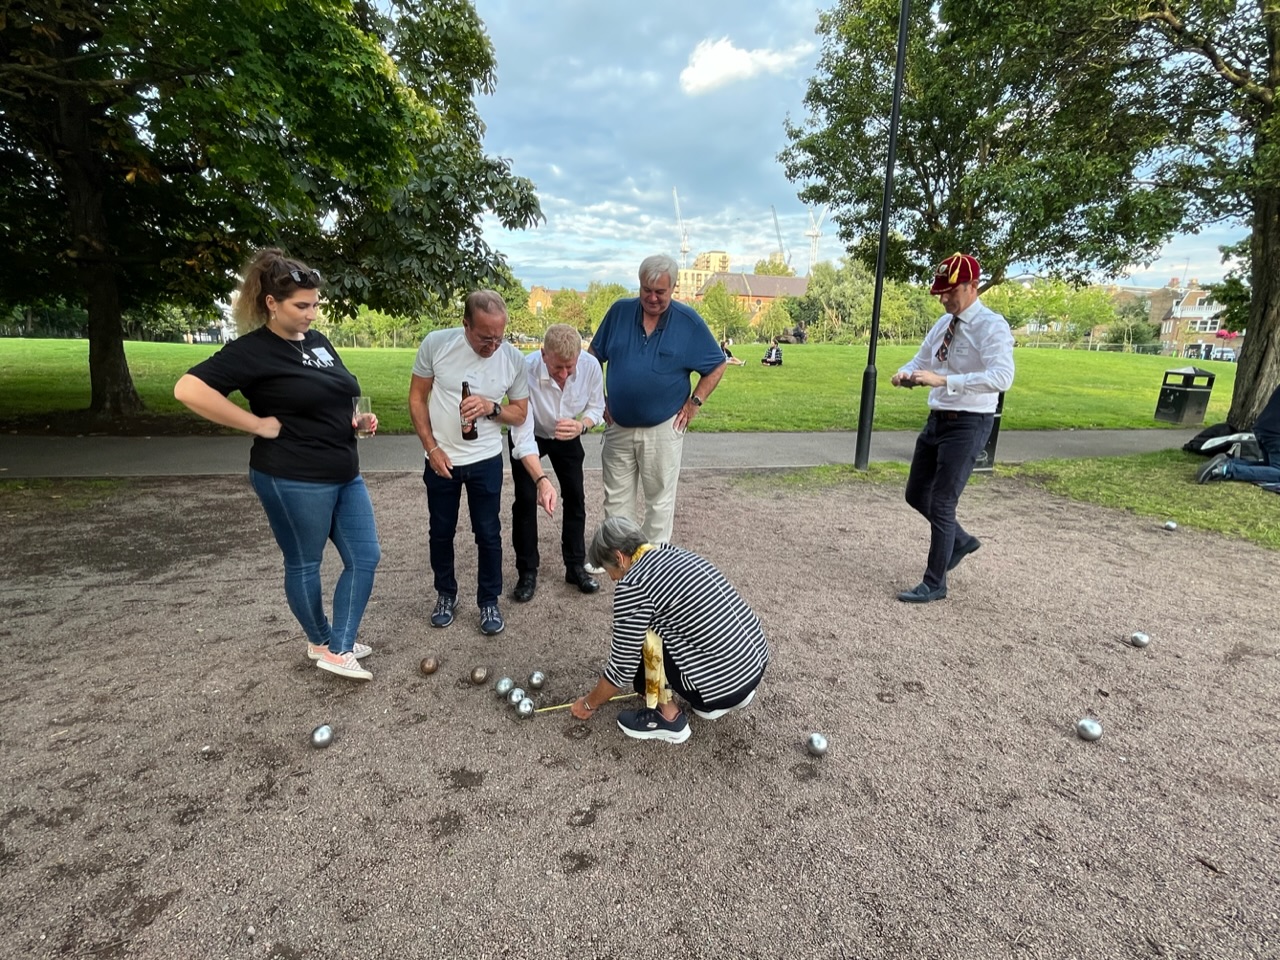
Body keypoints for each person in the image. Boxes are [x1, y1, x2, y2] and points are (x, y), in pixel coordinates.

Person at [173, 249, 381, 681]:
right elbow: (187, 389)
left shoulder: (318, 341)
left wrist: (355, 419)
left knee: (365, 556)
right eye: (301, 306)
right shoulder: (253, 351)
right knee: (305, 562)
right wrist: (255, 423)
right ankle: (325, 642)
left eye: (314, 304)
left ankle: (336, 643)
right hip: (292, 475)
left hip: (343, 468)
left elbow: (334, 393)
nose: (311, 313)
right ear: (272, 303)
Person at [568, 517, 769, 744]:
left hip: (725, 685)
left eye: (608, 570)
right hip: (752, 667)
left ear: (618, 557)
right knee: (662, 623)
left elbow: (622, 666)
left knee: (644, 635)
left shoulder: (633, 584)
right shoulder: (671, 553)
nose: (613, 578)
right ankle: (723, 696)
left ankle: (668, 718)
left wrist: (588, 703)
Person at [891, 252, 1014, 604]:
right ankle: (958, 541)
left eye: (950, 291)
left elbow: (1002, 377)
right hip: (938, 420)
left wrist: (945, 381)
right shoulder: (943, 324)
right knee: (916, 493)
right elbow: (923, 361)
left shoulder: (992, 326)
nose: (943, 298)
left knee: (943, 502)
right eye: (940, 292)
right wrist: (906, 373)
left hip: (969, 422)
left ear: (972, 286)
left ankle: (935, 583)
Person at [409, 290, 529, 636]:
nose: (493, 346)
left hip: (486, 460)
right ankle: (446, 594)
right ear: (465, 324)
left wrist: (492, 407)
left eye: (499, 337)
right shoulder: (437, 344)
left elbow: (519, 414)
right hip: (441, 459)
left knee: (488, 534)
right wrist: (431, 448)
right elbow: (417, 398)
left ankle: (488, 600)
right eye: (484, 338)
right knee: (441, 532)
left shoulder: (512, 359)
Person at [589, 254, 727, 544]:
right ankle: (619, 557)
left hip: (664, 427)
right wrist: (598, 400)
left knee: (659, 500)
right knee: (615, 498)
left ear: (673, 288)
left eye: (660, 292)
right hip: (618, 426)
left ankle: (654, 563)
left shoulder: (688, 322)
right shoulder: (618, 312)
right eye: (646, 290)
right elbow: (592, 359)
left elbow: (717, 364)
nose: (652, 298)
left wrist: (694, 403)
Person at [508, 323, 606, 601]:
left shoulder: (590, 367)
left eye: (569, 368)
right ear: (543, 355)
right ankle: (527, 571)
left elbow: (598, 407)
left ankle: (574, 566)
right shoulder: (524, 369)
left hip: (568, 432)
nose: (563, 375)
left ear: (579, 357)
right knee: (525, 500)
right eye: (557, 369)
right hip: (531, 433)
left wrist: (583, 426)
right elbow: (522, 436)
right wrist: (541, 480)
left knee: (575, 496)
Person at [1197, 383, 1280, 486]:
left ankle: (1229, 463)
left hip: (1263, 427)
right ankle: (1224, 469)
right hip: (1275, 433)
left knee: (1270, 467)